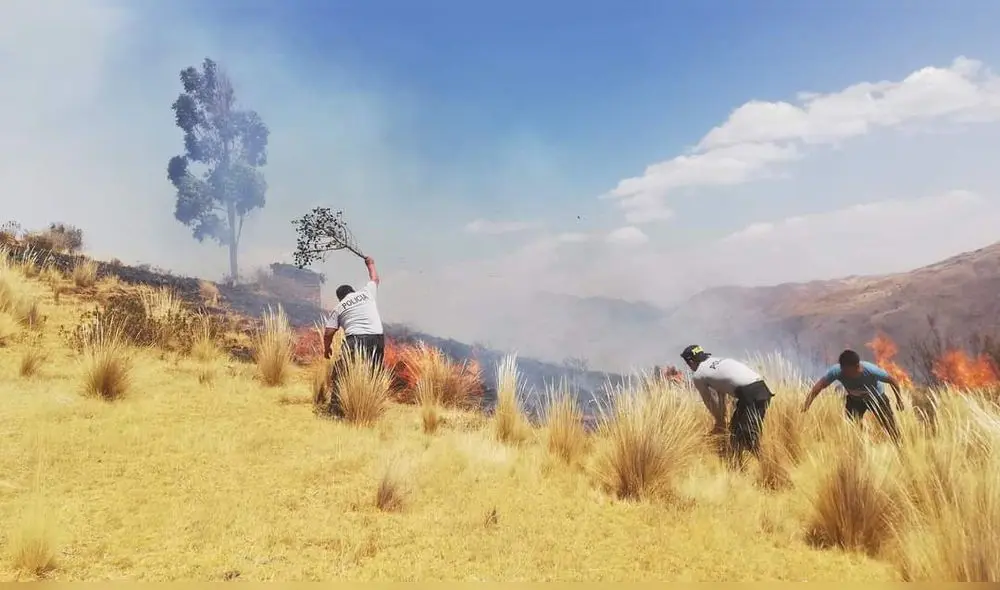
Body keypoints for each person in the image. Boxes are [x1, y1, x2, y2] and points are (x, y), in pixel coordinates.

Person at [681, 344, 775, 460]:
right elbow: (722, 396)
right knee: (735, 434)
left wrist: (719, 421)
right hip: (759, 390)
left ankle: (771, 466)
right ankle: (738, 470)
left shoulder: (698, 375)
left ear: (691, 362)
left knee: (747, 438)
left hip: (750, 394)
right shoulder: (717, 361)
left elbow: (709, 401)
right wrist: (722, 418)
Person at [322, 256, 385, 415]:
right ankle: (372, 408)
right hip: (378, 338)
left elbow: (329, 333)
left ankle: (336, 411)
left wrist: (326, 349)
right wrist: (370, 264)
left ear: (340, 297)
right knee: (373, 373)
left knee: (341, 372)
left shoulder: (339, 307)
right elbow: (375, 279)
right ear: (352, 291)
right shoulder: (366, 293)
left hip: (355, 340)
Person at [801, 349, 904, 442]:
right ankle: (862, 444)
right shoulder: (837, 371)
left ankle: (900, 446)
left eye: (846, 370)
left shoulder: (871, 370)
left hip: (876, 398)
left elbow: (893, 381)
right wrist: (807, 403)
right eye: (842, 368)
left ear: (856, 367)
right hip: (855, 400)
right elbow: (819, 386)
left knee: (890, 426)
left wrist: (899, 401)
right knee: (853, 426)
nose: (844, 372)